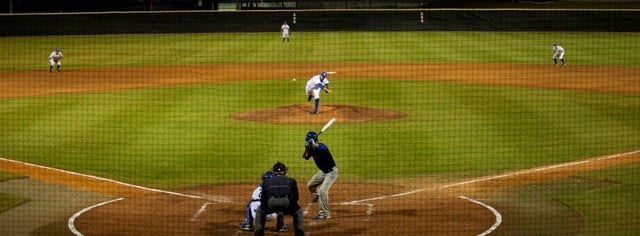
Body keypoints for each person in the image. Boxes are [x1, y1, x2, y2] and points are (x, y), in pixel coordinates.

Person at [254, 162, 304, 236]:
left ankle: (259, 232)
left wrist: (266, 208)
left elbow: (263, 199)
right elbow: (296, 198)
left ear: (273, 171)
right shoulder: (291, 180)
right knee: (298, 211)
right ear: (284, 171)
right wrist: (289, 208)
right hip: (286, 202)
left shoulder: (266, 181)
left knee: (260, 211)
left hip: (271, 202)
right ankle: (299, 232)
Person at [302, 131, 338, 220]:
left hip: (331, 172)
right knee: (310, 185)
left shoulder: (322, 147)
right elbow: (305, 157)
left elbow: (323, 148)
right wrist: (306, 148)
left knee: (323, 191)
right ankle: (316, 194)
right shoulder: (311, 148)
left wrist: (314, 145)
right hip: (322, 172)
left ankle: (325, 214)